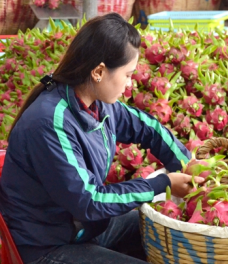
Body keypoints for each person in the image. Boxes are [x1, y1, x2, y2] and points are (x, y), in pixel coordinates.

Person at [0, 13, 204, 264]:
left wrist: (185, 164)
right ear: (98, 71)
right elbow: (89, 201)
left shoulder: (98, 104)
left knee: (168, 233)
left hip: (86, 229)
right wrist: (162, 183)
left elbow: (147, 127)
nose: (129, 84)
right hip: (47, 246)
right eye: (128, 75)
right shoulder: (49, 124)